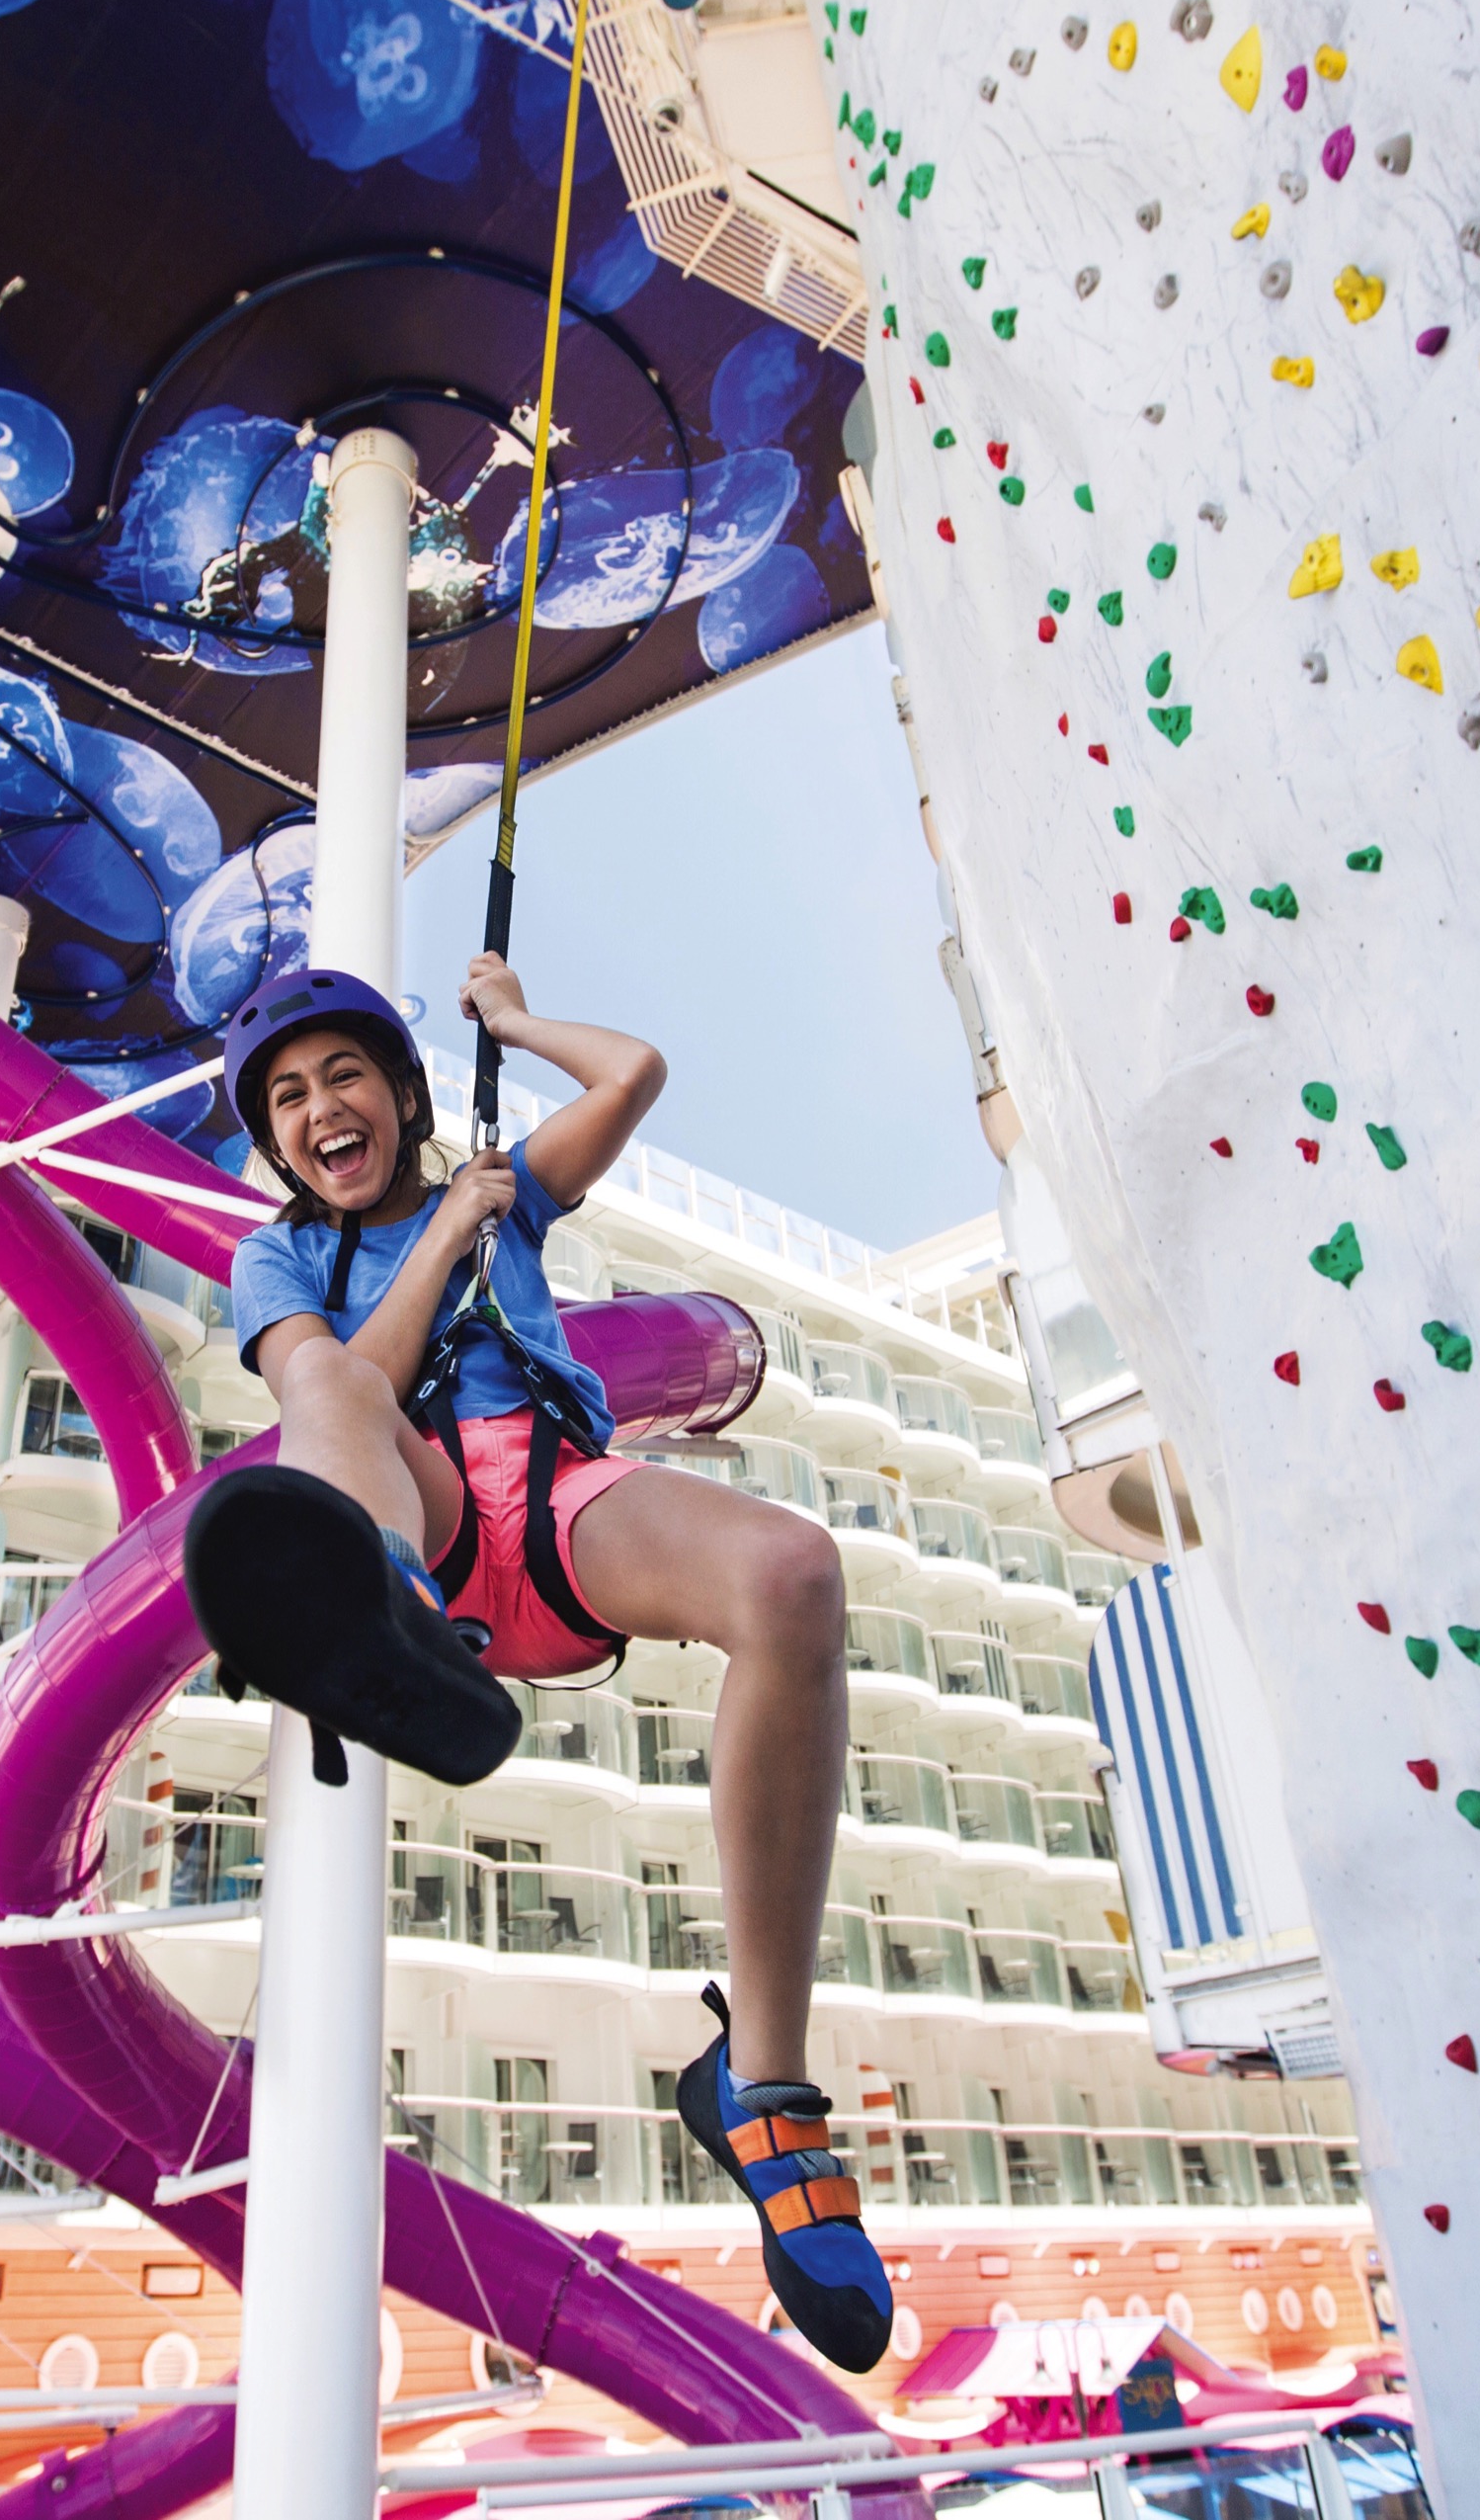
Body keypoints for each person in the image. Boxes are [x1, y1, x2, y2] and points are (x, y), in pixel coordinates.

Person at [181, 955, 891, 2374]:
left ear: (398, 1091)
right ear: (273, 1145)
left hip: (562, 1503)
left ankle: (763, 2079)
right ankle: (361, 1611)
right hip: (416, 1517)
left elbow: (630, 1072)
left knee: (794, 1574)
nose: (321, 1108)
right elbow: (356, 1388)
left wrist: (510, 1027)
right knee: (325, 1381)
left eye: (344, 1077)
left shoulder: (519, 1194)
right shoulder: (281, 1258)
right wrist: (445, 1232)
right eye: (288, 1098)